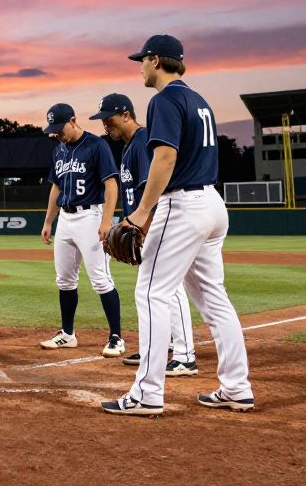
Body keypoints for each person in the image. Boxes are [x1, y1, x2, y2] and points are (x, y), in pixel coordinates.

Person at [102, 35, 253, 416]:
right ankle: (237, 387)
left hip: (183, 204)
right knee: (215, 300)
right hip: (212, 204)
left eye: (142, 60)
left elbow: (165, 159)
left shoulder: (164, 100)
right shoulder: (199, 100)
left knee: (152, 293)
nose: (140, 66)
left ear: (156, 60)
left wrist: (139, 214)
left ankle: (147, 394)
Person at [91, 93, 197, 376]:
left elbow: (155, 191)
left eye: (109, 119)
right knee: (152, 290)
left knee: (168, 289)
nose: (105, 125)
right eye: (102, 121)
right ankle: (157, 347)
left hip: (158, 223)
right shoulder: (127, 148)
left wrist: (144, 228)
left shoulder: (143, 141)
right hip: (146, 226)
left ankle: (185, 355)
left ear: (127, 114)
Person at [38, 103, 125, 357]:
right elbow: (56, 187)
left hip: (91, 216)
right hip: (65, 217)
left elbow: (111, 184)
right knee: (64, 280)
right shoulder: (59, 150)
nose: (56, 133)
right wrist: (47, 221)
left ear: (73, 120)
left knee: (100, 278)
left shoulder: (97, 145)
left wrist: (106, 221)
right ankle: (67, 334)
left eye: (59, 127)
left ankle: (116, 337)